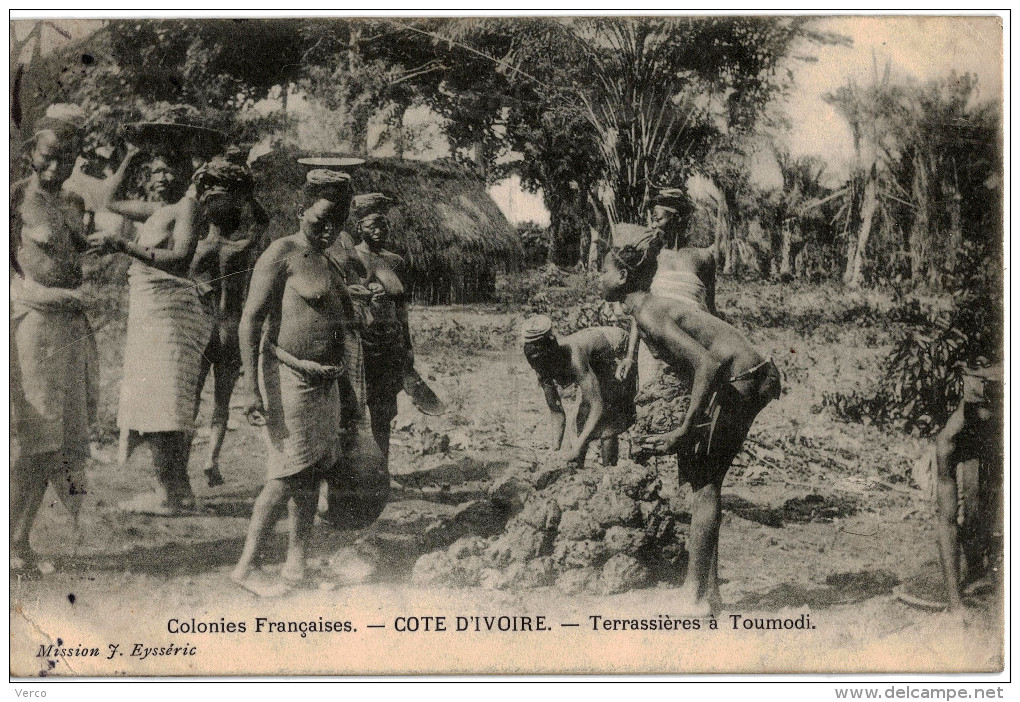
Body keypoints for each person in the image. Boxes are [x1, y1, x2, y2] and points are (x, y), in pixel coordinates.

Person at [601, 233, 780, 615]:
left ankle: (695, 597)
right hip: (748, 372)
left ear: (622, 278)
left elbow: (707, 364)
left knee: (705, 484)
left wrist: (685, 426)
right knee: (701, 475)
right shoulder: (647, 308)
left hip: (746, 375)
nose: (597, 278)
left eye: (603, 270)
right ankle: (708, 594)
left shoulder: (649, 313)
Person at [232, 169, 381, 596]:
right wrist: (250, 387)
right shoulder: (282, 253)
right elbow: (250, 321)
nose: (325, 230)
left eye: (334, 223)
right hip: (288, 377)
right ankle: (246, 567)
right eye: (318, 221)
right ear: (300, 212)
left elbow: (343, 323)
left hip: (326, 383)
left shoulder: (332, 260)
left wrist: (360, 305)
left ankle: (296, 564)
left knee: (314, 470)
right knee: (285, 474)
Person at [87, 125, 229, 515]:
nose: (162, 176)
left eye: (170, 169)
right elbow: (108, 199)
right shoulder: (161, 210)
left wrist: (124, 245)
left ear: (185, 172)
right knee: (160, 399)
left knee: (165, 399)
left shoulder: (187, 207)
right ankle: (178, 491)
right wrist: (132, 155)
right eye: (156, 170)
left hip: (172, 310)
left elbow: (181, 257)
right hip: (155, 311)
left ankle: (169, 494)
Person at [10, 104, 97, 572]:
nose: (57, 167)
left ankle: (21, 539)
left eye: (68, 158)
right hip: (31, 323)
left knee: (59, 439)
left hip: (68, 324)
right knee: (33, 436)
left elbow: (78, 254)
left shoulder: (75, 203)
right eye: (49, 156)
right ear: (32, 154)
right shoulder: (14, 199)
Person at [188, 156, 268, 487]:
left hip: (205, 326)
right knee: (222, 401)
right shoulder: (242, 245)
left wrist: (201, 183)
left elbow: (187, 276)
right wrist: (245, 189)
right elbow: (263, 219)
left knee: (191, 398)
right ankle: (211, 460)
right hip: (231, 329)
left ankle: (182, 459)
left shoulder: (200, 246)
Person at [615, 188, 717, 383]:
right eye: (652, 220)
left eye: (658, 219)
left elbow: (710, 310)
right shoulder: (652, 258)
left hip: (692, 345)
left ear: (677, 218)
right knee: (651, 404)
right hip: (654, 350)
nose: (653, 225)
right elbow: (640, 309)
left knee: (688, 405)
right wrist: (630, 356)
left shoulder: (704, 258)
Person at [521, 315, 638, 468]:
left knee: (607, 423)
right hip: (593, 356)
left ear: (551, 356)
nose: (541, 371)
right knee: (579, 421)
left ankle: (609, 472)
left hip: (615, 349)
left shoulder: (574, 357)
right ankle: (577, 469)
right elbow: (556, 411)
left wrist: (576, 448)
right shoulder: (539, 363)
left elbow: (597, 405)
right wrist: (554, 450)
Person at [934, 357, 1004, 612]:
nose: (985, 418)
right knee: (971, 504)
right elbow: (946, 522)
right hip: (976, 456)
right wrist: (955, 604)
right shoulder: (949, 441)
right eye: (978, 415)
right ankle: (975, 573)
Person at [353, 201, 416, 461]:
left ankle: (381, 469)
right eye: (372, 225)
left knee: (383, 411)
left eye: (383, 224)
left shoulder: (395, 261)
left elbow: (402, 309)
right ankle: (353, 472)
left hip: (389, 343)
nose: (379, 230)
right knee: (353, 411)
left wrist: (408, 345)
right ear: (359, 227)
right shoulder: (350, 257)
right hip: (360, 342)